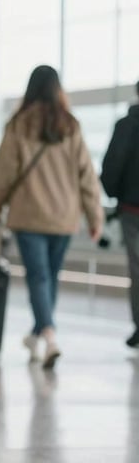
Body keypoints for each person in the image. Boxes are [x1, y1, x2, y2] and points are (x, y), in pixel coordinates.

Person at [0, 65, 103, 370]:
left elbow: (2, 173)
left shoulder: (19, 125)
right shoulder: (71, 126)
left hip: (29, 216)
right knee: (49, 278)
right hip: (65, 217)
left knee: (40, 278)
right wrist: (95, 217)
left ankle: (46, 335)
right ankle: (40, 335)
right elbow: (87, 176)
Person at [101, 79, 139, 349]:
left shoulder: (127, 125)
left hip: (132, 209)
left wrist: (115, 193)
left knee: (137, 270)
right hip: (130, 208)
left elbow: (113, 164)